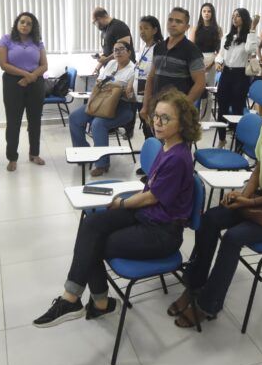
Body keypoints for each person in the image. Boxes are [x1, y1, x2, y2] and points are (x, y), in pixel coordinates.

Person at [33, 90, 201, 327]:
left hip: (162, 232)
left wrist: (122, 202)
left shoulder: (177, 157)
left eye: (166, 118)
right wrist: (124, 202)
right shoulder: (167, 147)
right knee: (91, 224)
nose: (157, 122)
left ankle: (92, 302)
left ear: (182, 123)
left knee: (94, 243)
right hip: (147, 216)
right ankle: (79, 299)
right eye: (156, 116)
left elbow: (151, 197)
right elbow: (150, 192)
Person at [169, 83, 262, 326]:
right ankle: (194, 286)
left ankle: (208, 304)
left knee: (234, 237)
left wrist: (251, 201)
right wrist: (243, 196)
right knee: (210, 219)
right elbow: (259, 168)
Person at [68, 41, 138, 176]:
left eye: (121, 49)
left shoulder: (133, 70)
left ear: (129, 52)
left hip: (122, 107)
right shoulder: (111, 63)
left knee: (98, 124)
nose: (117, 52)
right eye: (115, 50)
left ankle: (102, 164)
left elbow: (133, 97)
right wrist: (109, 87)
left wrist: (123, 91)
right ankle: (84, 153)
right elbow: (99, 82)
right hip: (101, 101)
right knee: (75, 118)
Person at [0, 12, 49, 172]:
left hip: (35, 83)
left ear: (33, 27)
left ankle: (34, 154)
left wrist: (30, 77)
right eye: (22, 22)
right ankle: (12, 158)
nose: (25, 25)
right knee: (13, 122)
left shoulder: (37, 42)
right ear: (17, 23)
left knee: (35, 121)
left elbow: (44, 65)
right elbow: (3, 64)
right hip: (13, 83)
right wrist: (27, 75)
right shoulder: (6, 40)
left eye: (29, 23)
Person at [140, 7, 207, 122]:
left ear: (187, 27)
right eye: (170, 20)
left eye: (178, 21)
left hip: (177, 111)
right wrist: (145, 105)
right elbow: (151, 78)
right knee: (155, 134)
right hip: (157, 107)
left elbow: (200, 84)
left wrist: (183, 108)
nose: (173, 24)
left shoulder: (192, 50)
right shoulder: (159, 47)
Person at [214, 9, 259, 146]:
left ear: (244, 18)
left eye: (238, 16)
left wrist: (253, 28)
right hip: (226, 73)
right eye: (233, 16)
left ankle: (238, 141)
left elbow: (250, 50)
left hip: (240, 75)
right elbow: (221, 54)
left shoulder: (251, 37)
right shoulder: (227, 36)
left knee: (237, 108)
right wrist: (218, 62)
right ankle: (222, 139)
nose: (234, 18)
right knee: (222, 106)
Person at [135, 15, 163, 139]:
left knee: (152, 127)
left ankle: (155, 148)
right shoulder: (143, 47)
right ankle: (150, 147)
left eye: (146, 28)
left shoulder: (159, 48)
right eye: (140, 28)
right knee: (145, 125)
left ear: (155, 30)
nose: (142, 31)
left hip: (151, 93)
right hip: (139, 92)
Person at [187, 2, 223, 89]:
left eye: (209, 11)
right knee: (196, 87)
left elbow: (220, 50)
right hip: (197, 59)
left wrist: (213, 63)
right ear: (201, 13)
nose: (206, 13)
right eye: (204, 11)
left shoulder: (218, 29)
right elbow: (191, 49)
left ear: (212, 13)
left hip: (212, 60)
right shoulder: (195, 29)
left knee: (210, 87)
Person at [91, 7, 134, 74]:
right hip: (112, 70)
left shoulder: (119, 26)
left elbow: (123, 50)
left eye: (94, 22)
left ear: (99, 18)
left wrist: (106, 59)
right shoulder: (104, 30)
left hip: (124, 69)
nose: (95, 25)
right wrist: (97, 68)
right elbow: (107, 52)